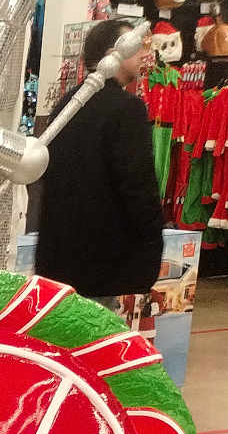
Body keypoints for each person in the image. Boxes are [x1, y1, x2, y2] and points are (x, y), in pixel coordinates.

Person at [34, 20, 165, 304]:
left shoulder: (67, 103)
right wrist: (151, 245)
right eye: (136, 46)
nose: (145, 54)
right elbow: (138, 186)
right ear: (113, 52)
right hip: (104, 262)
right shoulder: (126, 109)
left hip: (59, 260)